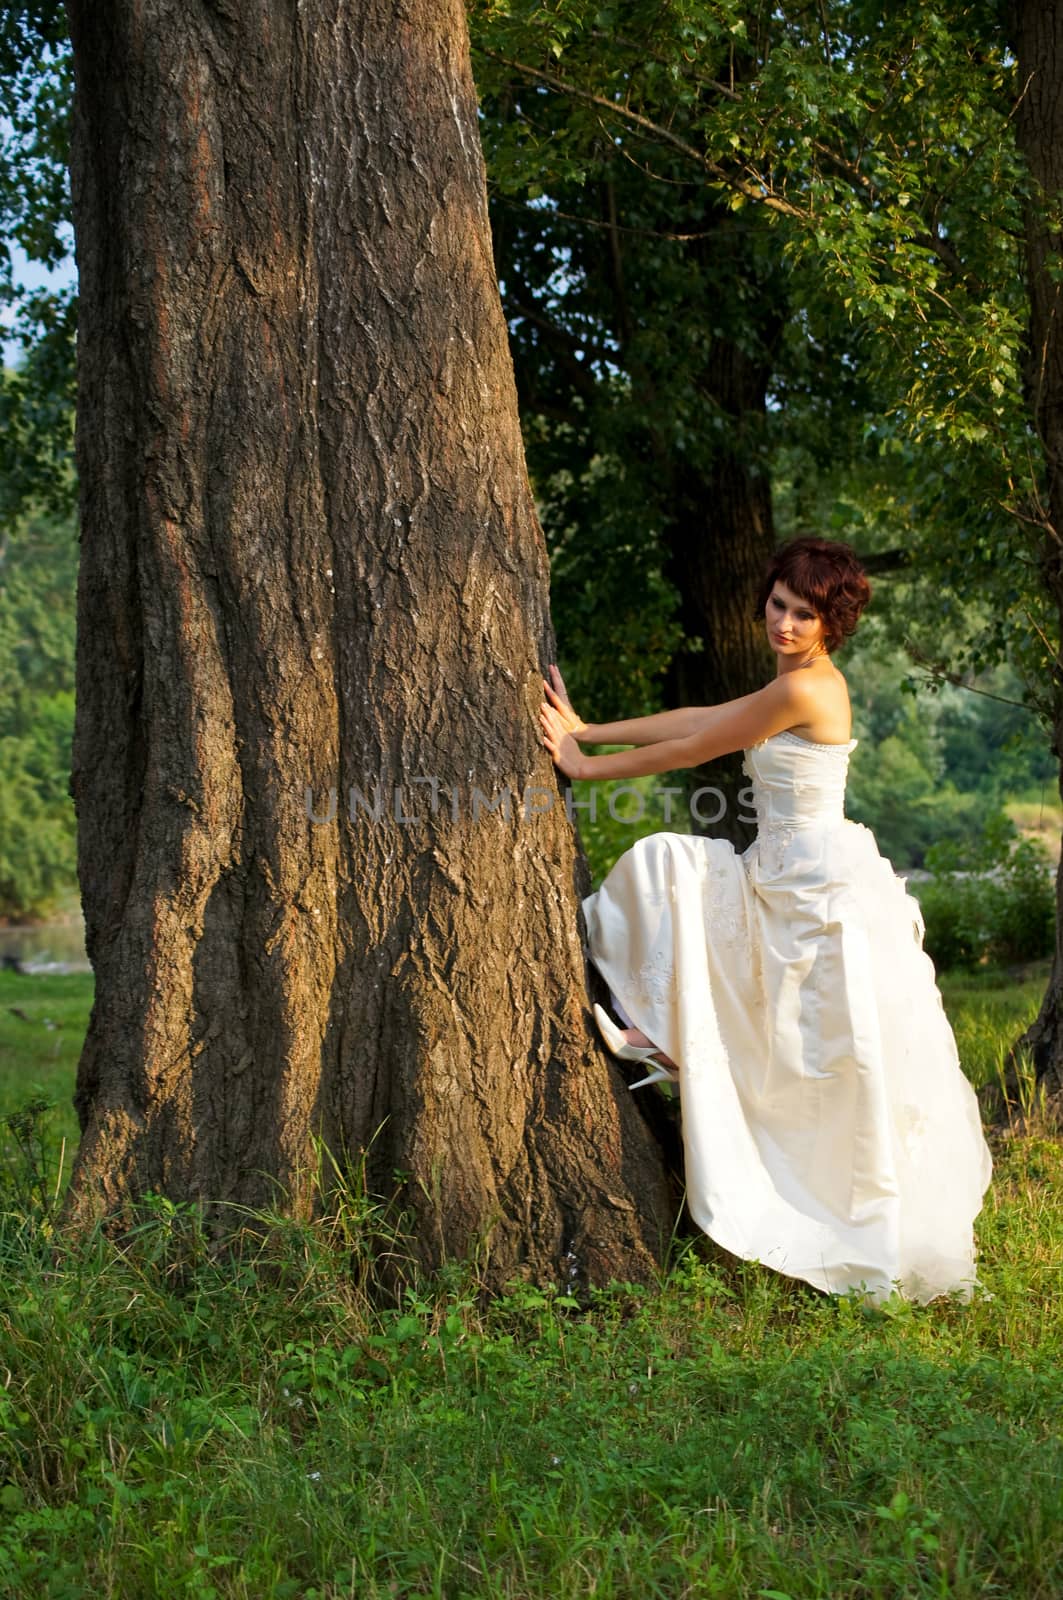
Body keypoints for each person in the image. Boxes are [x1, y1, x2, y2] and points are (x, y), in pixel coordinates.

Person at [537, 535, 993, 1305]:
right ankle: (666, 1033)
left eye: (803, 614)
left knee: (805, 1049)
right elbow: (699, 713)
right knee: (690, 903)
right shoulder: (791, 681)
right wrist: (588, 728)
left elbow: (696, 748)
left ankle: (674, 1042)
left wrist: (583, 767)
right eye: (778, 605)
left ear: (829, 623)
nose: (783, 623)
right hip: (785, 872)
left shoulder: (807, 690)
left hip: (811, 886)